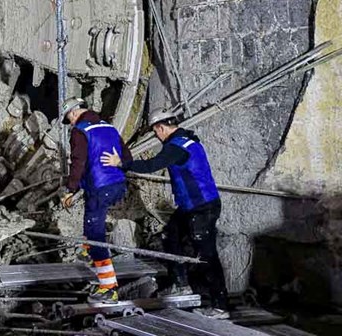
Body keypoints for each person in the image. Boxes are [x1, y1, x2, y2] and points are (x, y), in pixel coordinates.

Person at [100, 109, 229, 319]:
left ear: (160, 128)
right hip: (191, 206)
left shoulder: (177, 147)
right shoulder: (187, 139)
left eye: (155, 132)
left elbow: (153, 165)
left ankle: (220, 307)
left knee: (207, 256)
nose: (156, 136)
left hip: (201, 208)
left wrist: (120, 163)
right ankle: (182, 285)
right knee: (171, 236)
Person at [60, 97, 132, 304]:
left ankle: (109, 288)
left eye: (69, 118)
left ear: (74, 113)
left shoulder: (80, 131)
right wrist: (117, 164)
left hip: (101, 188)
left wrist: (70, 189)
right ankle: (87, 252)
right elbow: (127, 157)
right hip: (117, 185)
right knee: (90, 217)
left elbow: (78, 162)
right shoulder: (109, 127)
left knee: (95, 234)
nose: (71, 123)